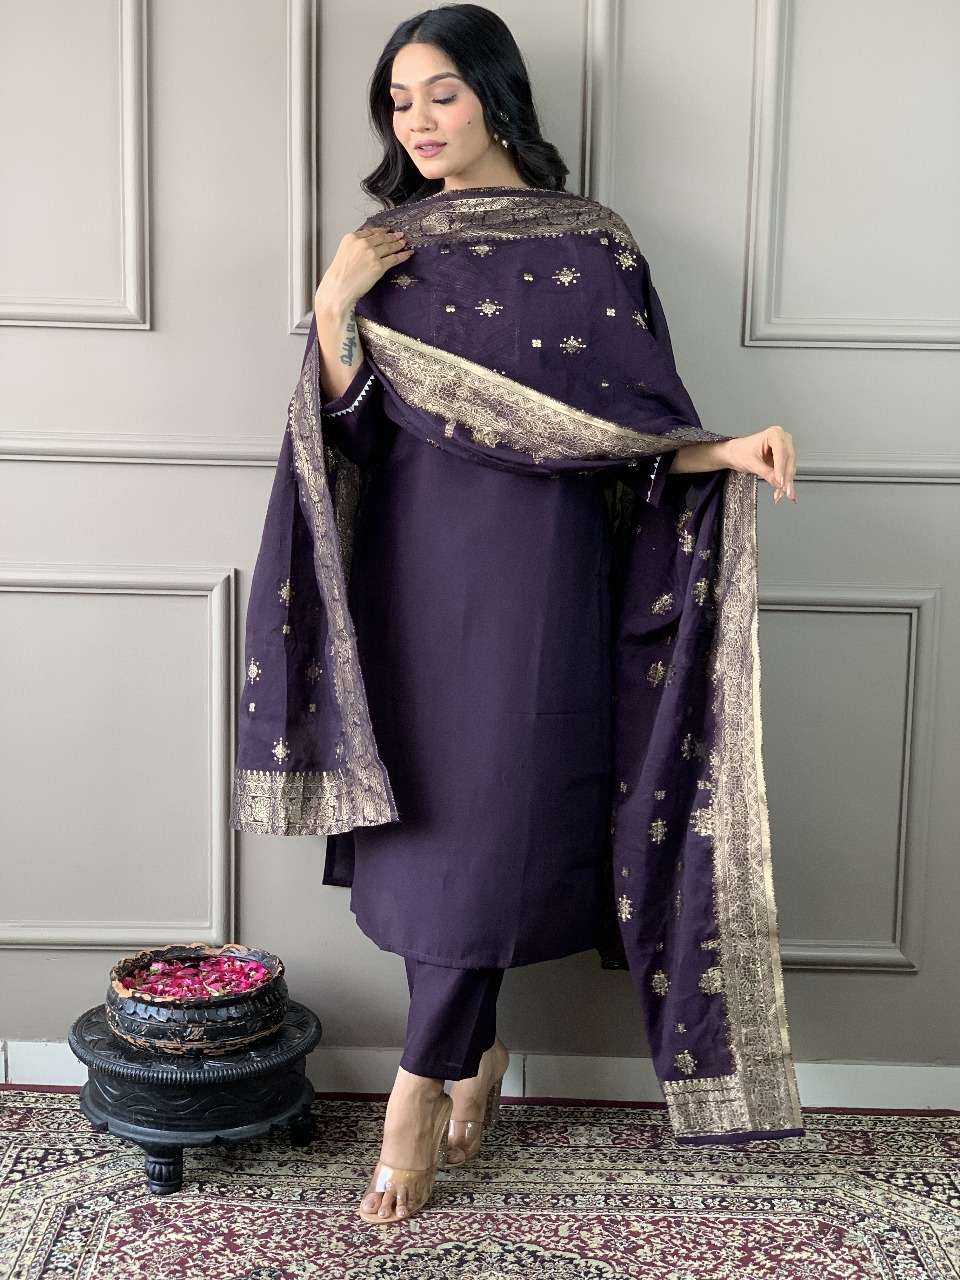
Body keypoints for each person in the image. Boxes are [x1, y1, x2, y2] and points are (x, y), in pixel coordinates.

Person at [231, 4, 801, 1226]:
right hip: (409, 576)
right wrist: (333, 305)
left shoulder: (592, 244)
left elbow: (626, 427)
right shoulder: (388, 247)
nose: (418, 121)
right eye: (398, 102)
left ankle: (414, 1090)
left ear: (495, 94)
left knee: (494, 824)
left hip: (540, 576)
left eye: (440, 92)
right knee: (436, 835)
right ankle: (474, 1047)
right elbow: (344, 435)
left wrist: (727, 449)